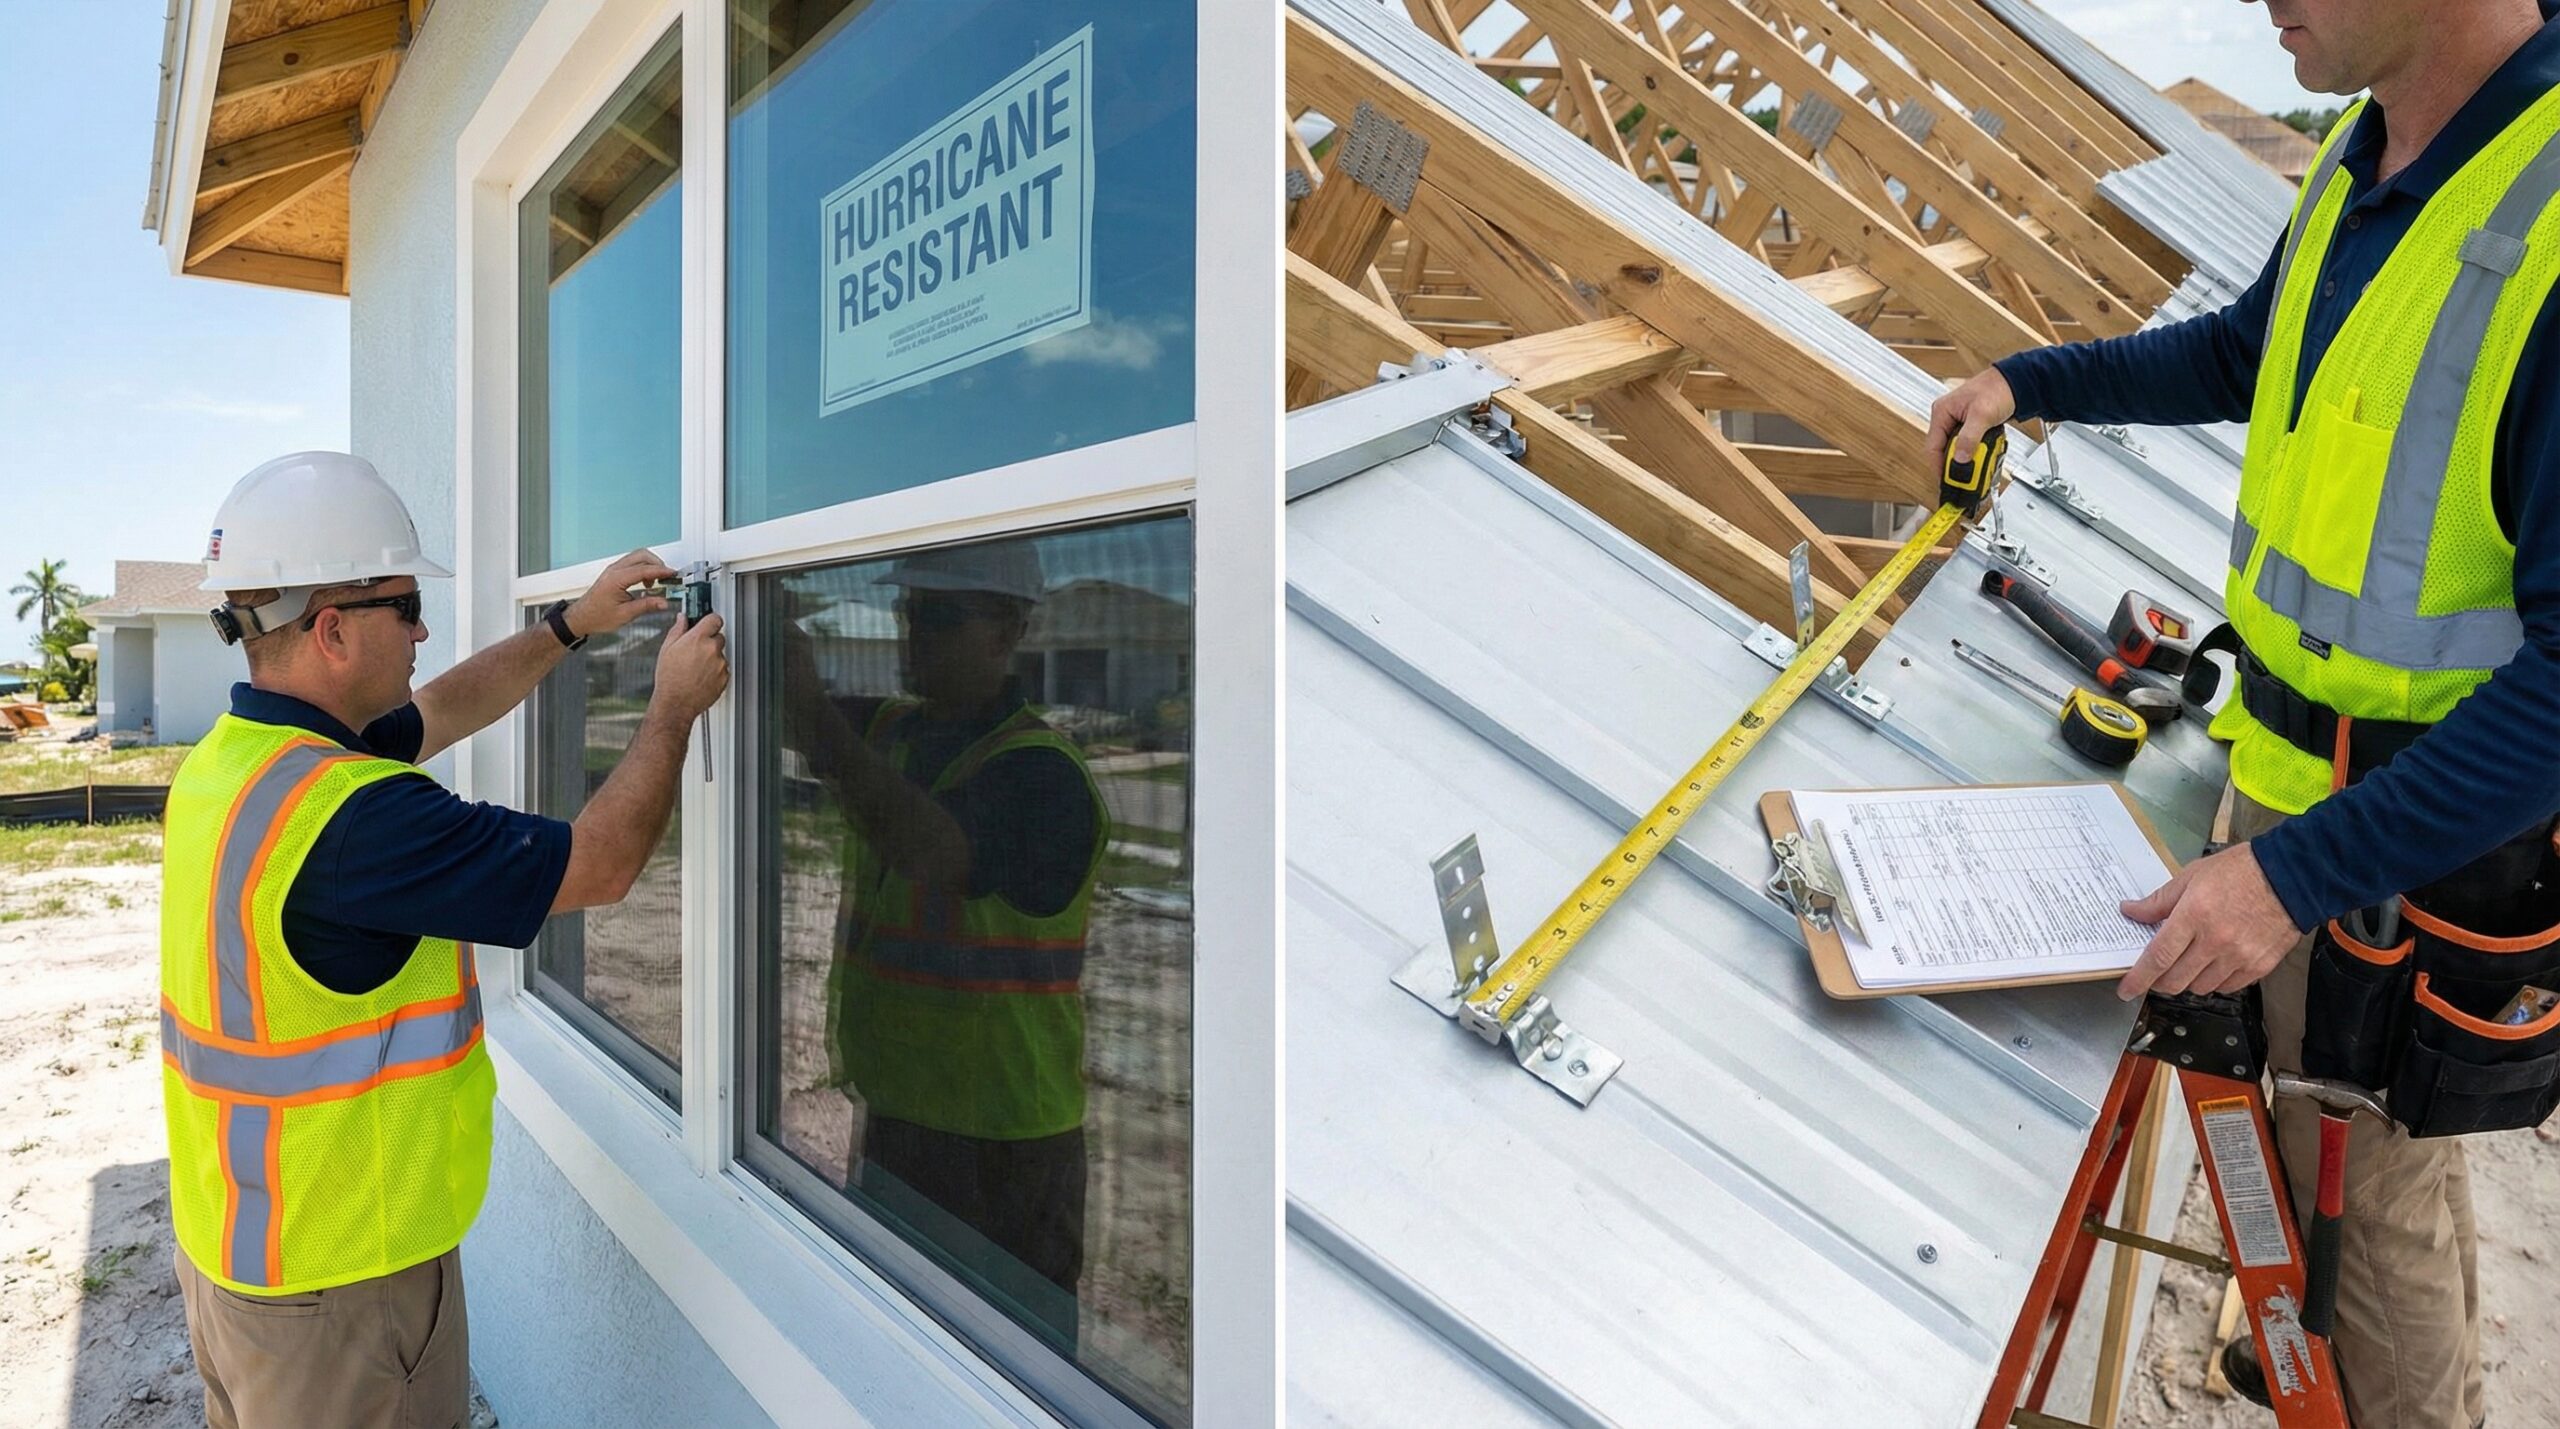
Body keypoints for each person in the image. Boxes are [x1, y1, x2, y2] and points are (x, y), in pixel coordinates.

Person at [1928, 4, 2560, 1424]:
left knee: (2365, 1198)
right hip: (2300, 781)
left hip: (2403, 840)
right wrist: (2035, 382)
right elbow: (2242, 355)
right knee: (2394, 1156)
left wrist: (2291, 875)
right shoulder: (2371, 137)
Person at [160, 451, 727, 1428]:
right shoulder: (356, 817)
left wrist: (570, 625)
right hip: (342, 1292)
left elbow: (450, 704)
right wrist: (672, 708)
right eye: (405, 605)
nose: (423, 630)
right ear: (333, 628)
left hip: (240, 1260)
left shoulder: (240, 763)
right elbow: (599, 865)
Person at [778, 540, 1105, 1348]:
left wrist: (813, 710)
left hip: (1007, 1146)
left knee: (1004, 1367)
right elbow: (795, 714)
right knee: (898, 1346)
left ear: (1009, 631)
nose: (912, 635)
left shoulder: (1044, 777)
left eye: (941, 615)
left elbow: (932, 851)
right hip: (899, 1116)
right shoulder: (895, 729)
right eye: (909, 612)